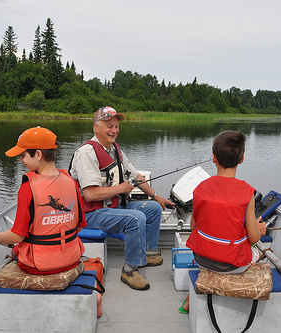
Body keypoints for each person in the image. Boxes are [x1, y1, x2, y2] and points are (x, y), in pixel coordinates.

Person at [69, 106, 174, 290]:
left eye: (116, 126)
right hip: (92, 215)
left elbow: (136, 176)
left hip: (113, 208)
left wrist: (157, 197)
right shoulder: (87, 153)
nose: (114, 130)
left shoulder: (115, 149)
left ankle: (144, 253)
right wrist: (121, 188)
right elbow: (90, 194)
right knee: (136, 218)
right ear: (96, 127)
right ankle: (129, 269)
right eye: (109, 126)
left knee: (153, 209)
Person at [179, 130, 266, 313]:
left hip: (202, 259)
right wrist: (260, 230)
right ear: (241, 159)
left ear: (213, 158)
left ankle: (189, 299)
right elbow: (253, 237)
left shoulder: (201, 188)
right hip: (233, 266)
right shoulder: (247, 192)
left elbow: (193, 227)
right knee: (261, 250)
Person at [0, 126, 87, 275]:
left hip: (38, 265)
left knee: (17, 249)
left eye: (23, 155)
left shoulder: (28, 188)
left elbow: (18, 236)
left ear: (38, 154)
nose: (20, 159)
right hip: (72, 259)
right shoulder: (71, 182)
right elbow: (79, 227)